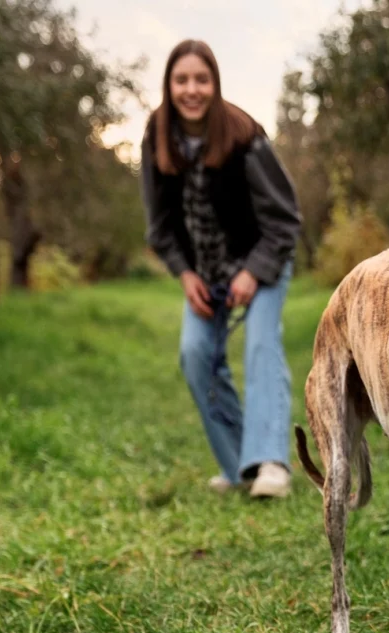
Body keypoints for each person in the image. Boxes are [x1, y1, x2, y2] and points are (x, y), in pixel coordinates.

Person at [140, 39, 300, 498]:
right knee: (195, 356)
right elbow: (160, 226)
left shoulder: (245, 136)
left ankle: (272, 464)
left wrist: (252, 272)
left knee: (260, 346)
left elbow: (286, 218)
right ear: (169, 86)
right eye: (182, 80)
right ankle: (239, 468)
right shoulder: (156, 138)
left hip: (262, 261)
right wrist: (184, 273)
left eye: (201, 79)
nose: (192, 89)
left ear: (215, 83)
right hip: (204, 273)